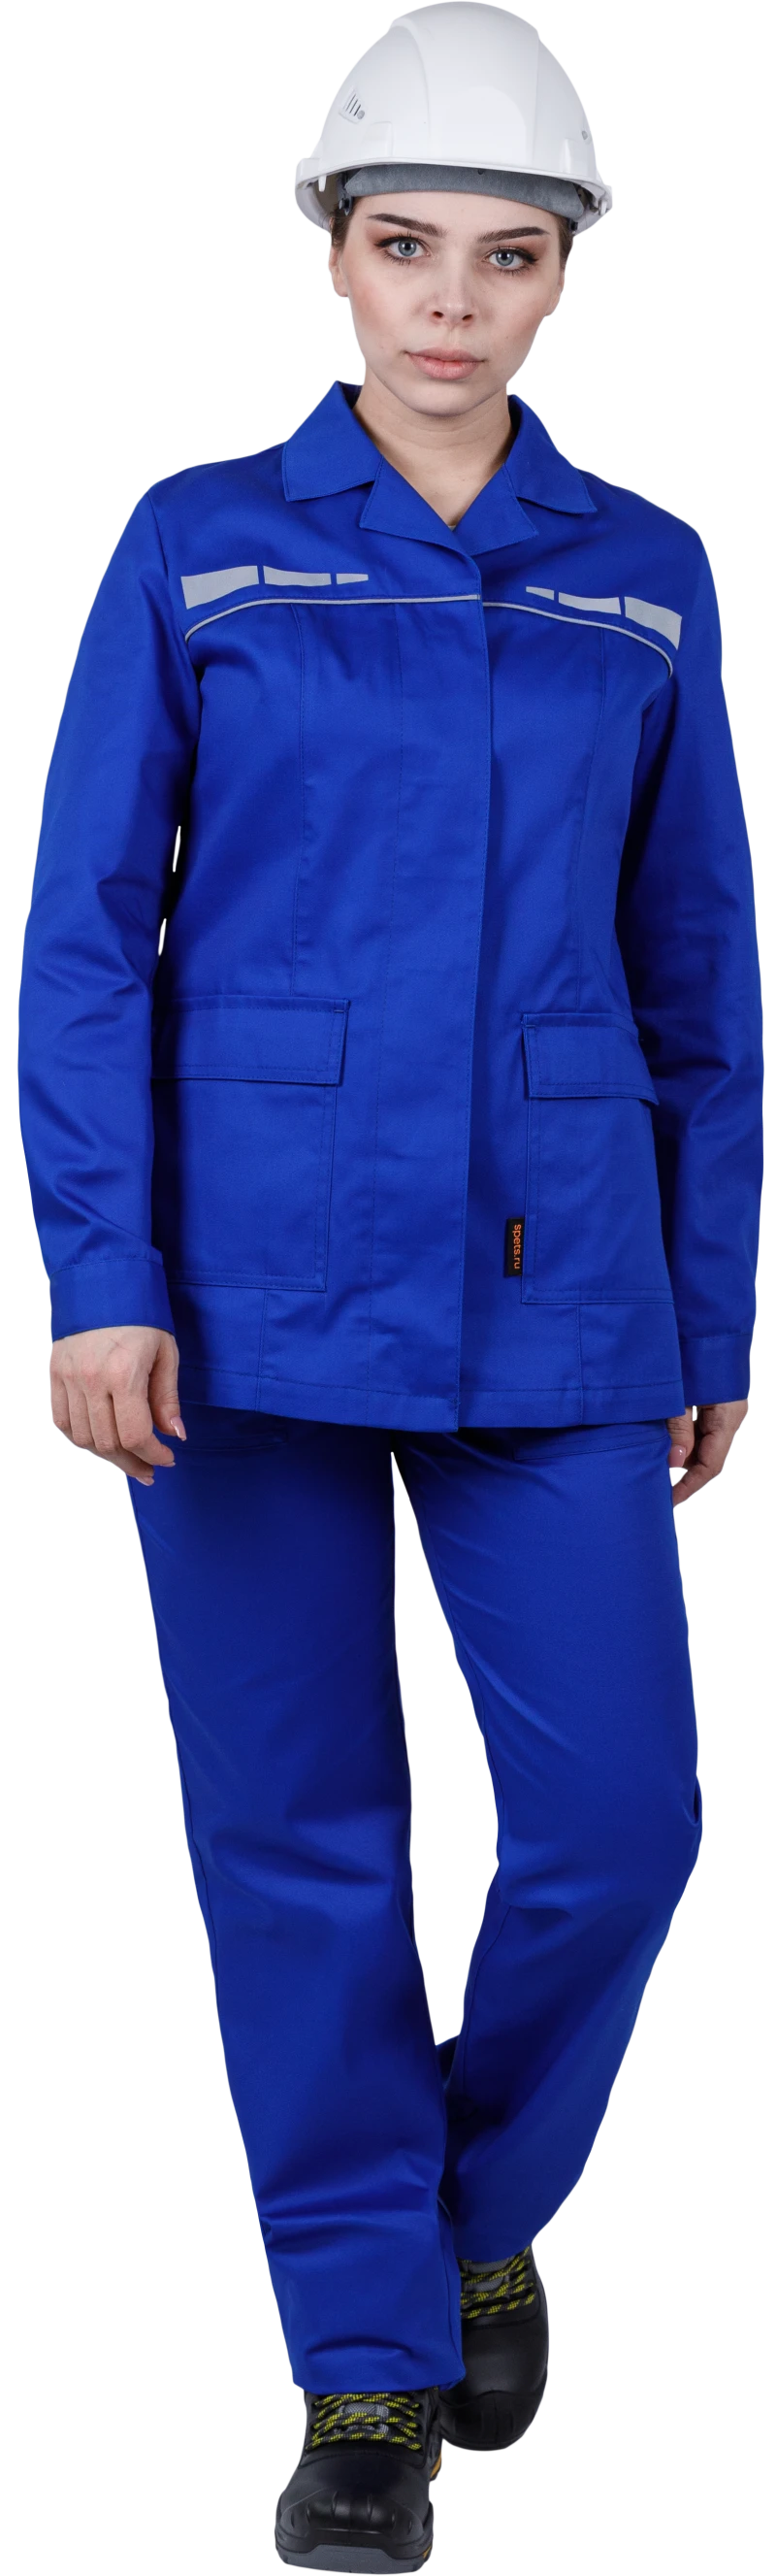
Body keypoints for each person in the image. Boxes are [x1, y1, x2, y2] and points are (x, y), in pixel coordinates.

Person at [16, 6, 763, 2570]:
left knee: (625, 1823)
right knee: (303, 1836)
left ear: (563, 281)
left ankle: (465, 2218)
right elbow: (89, 943)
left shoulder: (644, 576)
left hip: (565, 1298)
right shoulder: (197, 545)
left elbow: (701, 982)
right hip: (239, 1299)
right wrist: (101, 1274)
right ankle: (365, 2364)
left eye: (508, 252)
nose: (453, 295)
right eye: (407, 242)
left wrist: (709, 1317)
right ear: (336, 256)